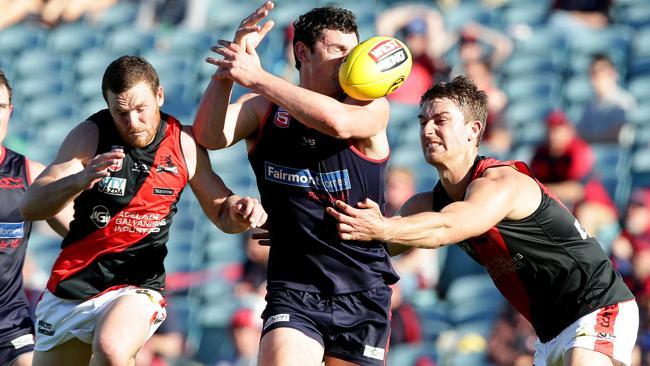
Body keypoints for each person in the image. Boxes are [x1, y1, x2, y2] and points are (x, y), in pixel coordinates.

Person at [326, 76, 639, 366]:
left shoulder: (500, 183)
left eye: (440, 121)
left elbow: (446, 227)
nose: (427, 130)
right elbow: (370, 247)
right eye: (423, 121)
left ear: (473, 130)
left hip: (597, 305)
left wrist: (382, 226)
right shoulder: (426, 203)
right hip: (550, 332)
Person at [20, 55, 267, 366]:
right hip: (73, 283)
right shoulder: (90, 136)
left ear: (159, 96)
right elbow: (31, 205)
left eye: (140, 109)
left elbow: (222, 214)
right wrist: (80, 179)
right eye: (121, 112)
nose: (132, 122)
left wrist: (239, 211)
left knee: (111, 347)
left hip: (137, 284)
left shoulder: (183, 143)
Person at [193, 2, 399, 365]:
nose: (349, 61)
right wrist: (228, 72)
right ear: (303, 52)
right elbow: (209, 136)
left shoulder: (370, 106)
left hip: (363, 290)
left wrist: (256, 77)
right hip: (295, 287)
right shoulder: (264, 109)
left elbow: (337, 123)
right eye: (338, 51)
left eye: (353, 51)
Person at [0, 70, 72, 366]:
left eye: (0, 107)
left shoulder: (29, 173)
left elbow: (83, 231)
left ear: (10, 111)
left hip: (8, 323)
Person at [577, 54, 636, 144]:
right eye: (592, 73)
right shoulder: (590, 104)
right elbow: (580, 134)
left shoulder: (625, 100)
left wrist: (593, 138)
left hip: (616, 155)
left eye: (599, 72)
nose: (595, 79)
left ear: (613, 74)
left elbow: (622, 135)